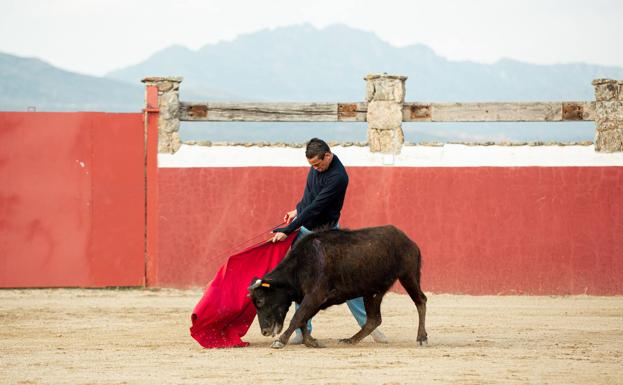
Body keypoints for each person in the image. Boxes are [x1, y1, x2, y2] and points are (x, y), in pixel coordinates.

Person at [271, 138, 387, 344]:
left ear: (328, 155)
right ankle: (301, 330)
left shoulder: (338, 177)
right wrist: (297, 209)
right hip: (308, 230)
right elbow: (310, 196)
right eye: (312, 165)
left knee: (347, 280)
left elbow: (316, 206)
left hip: (327, 235)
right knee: (303, 281)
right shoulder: (316, 167)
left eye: (318, 164)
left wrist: (288, 230)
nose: (315, 168)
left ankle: (368, 323)